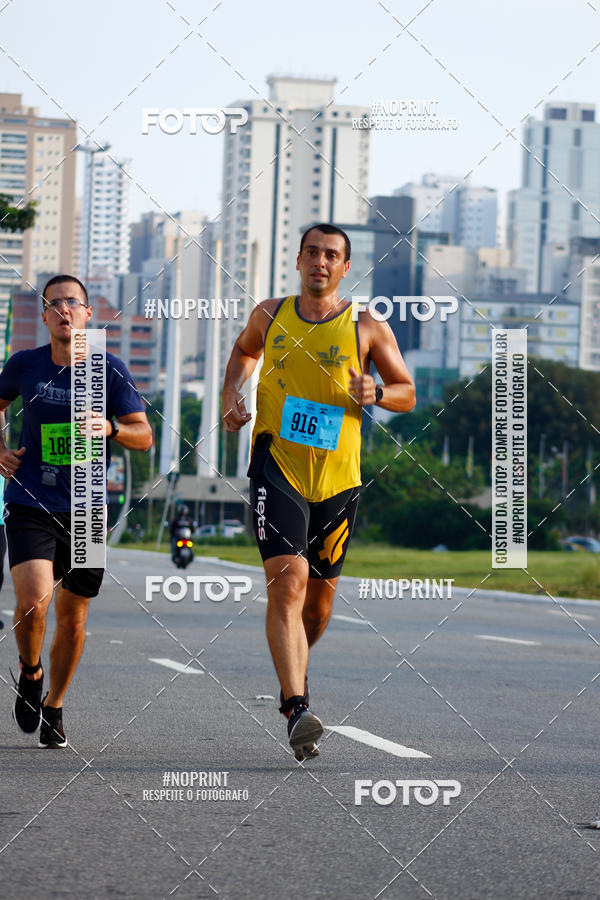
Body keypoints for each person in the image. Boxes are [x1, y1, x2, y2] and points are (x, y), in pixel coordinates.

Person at [221, 223, 415, 760]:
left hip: (338, 480)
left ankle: (297, 674)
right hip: (277, 464)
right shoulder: (270, 314)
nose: (320, 262)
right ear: (299, 259)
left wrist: (376, 390)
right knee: (288, 581)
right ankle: (296, 706)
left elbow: (408, 393)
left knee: (318, 608)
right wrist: (232, 397)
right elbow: (242, 353)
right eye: (312, 252)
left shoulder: (366, 326)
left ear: (345, 268)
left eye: (332, 255)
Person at [0, 274, 152, 748]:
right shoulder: (25, 364)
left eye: (74, 302)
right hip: (30, 499)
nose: (65, 309)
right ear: (45, 316)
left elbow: (143, 436)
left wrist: (109, 427)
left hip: (87, 508)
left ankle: (55, 704)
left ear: (88, 315)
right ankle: (31, 671)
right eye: (55, 303)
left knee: (75, 618)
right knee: (32, 602)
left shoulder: (109, 369)